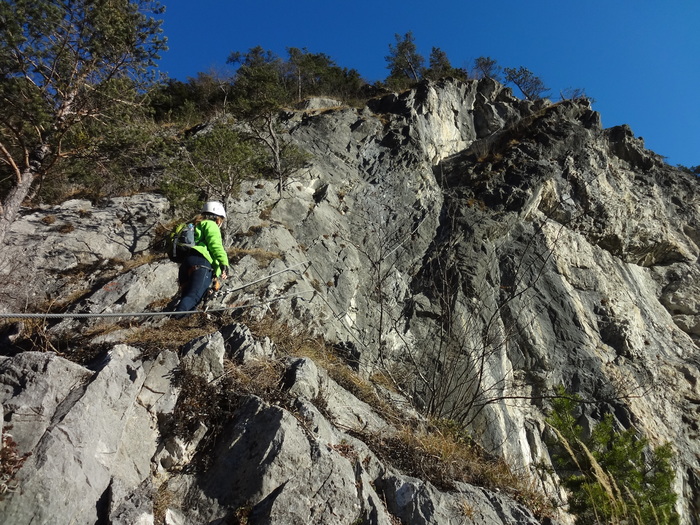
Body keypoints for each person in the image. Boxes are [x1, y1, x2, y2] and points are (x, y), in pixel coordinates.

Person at [174, 201, 230, 317]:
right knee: (193, 297)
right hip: (202, 263)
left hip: (187, 263)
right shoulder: (211, 225)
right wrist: (224, 263)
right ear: (218, 219)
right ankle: (172, 323)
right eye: (221, 220)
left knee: (189, 298)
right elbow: (215, 245)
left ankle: (178, 325)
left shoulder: (195, 225)